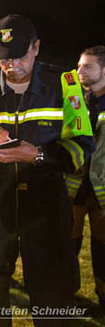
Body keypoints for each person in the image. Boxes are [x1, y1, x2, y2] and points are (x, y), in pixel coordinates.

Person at [0, 14, 94, 326]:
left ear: (37, 47)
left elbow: (82, 146)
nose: (11, 66)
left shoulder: (65, 86)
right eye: (4, 60)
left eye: (19, 57)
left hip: (45, 207)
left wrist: (39, 155)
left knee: (51, 292)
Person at [71, 45, 105, 308]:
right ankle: (66, 291)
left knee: (102, 248)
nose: (80, 70)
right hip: (73, 187)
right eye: (80, 65)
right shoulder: (74, 99)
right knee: (67, 242)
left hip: (102, 191)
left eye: (88, 66)